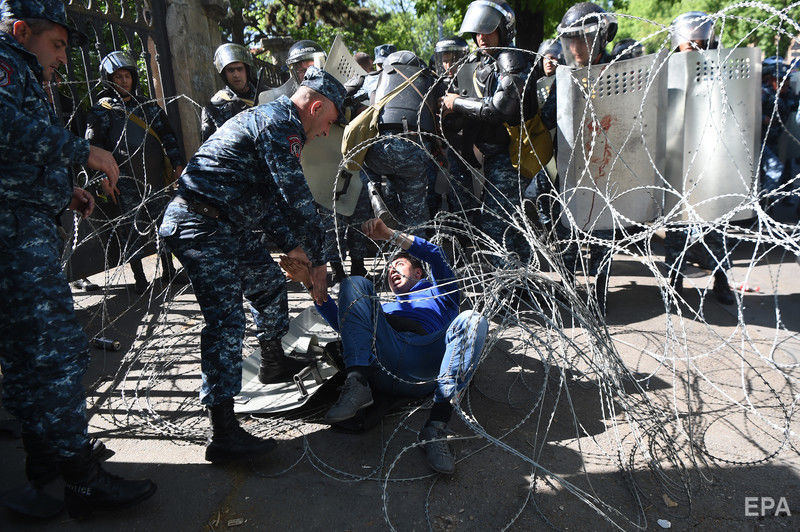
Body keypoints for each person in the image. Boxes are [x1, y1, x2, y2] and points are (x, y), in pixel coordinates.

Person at [0, 0, 156, 518]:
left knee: (26, 357)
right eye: (58, 45)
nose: (64, 58)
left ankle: (45, 461)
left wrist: (62, 190)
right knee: (61, 353)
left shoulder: (21, 69)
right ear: (22, 31)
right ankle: (81, 480)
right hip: (15, 232)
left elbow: (17, 157)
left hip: (24, 223)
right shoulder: (4, 65)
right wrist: (80, 152)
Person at [158, 67, 346, 463]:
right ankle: (223, 431)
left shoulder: (275, 121)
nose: (327, 132)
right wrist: (320, 261)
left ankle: (273, 361)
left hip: (226, 223)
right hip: (200, 224)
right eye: (329, 121)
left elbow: (272, 204)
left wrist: (296, 246)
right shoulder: (279, 126)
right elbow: (296, 199)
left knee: (268, 282)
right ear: (314, 106)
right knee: (226, 322)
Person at [284, 217, 488, 474]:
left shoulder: (442, 293)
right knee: (354, 284)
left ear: (418, 273)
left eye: (399, 264)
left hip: (425, 357)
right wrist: (308, 283)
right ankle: (358, 384)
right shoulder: (386, 306)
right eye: (389, 267)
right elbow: (345, 324)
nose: (391, 270)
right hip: (383, 360)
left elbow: (435, 254)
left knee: (472, 319)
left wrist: (389, 234)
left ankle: (436, 426)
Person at [440, 1, 536, 265]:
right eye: (478, 33)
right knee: (511, 228)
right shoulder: (485, 63)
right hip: (492, 157)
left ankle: (504, 294)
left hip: (511, 157)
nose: (481, 38)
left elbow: (501, 108)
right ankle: (522, 285)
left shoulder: (510, 59)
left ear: (503, 31)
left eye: (488, 32)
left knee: (494, 227)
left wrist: (456, 103)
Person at [85, 50, 185, 294]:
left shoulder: (147, 107)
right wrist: (102, 181)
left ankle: (169, 270)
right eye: (117, 76)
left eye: (127, 75)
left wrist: (178, 164)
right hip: (124, 180)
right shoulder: (101, 110)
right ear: (108, 79)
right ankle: (139, 277)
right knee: (130, 229)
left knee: (163, 224)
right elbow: (93, 149)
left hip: (154, 177)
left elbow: (168, 136)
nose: (123, 81)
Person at [540, 1, 617, 311]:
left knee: (602, 231)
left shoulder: (617, 69)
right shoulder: (565, 76)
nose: (575, 46)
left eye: (581, 38)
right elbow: (547, 118)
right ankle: (569, 289)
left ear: (598, 37)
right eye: (570, 40)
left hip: (607, 164)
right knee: (567, 232)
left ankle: (600, 294)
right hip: (571, 164)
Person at [663, 11, 736, 305]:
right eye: (688, 36)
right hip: (677, 156)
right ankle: (674, 281)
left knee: (715, 226)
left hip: (712, 156)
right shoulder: (668, 69)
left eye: (700, 35)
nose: (694, 41)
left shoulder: (722, 67)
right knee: (678, 228)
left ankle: (721, 280)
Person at [201, 43, 257, 142]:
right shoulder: (215, 105)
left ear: (247, 71)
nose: (236, 75)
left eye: (240, 69)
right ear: (224, 74)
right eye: (231, 70)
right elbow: (208, 145)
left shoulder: (263, 96)